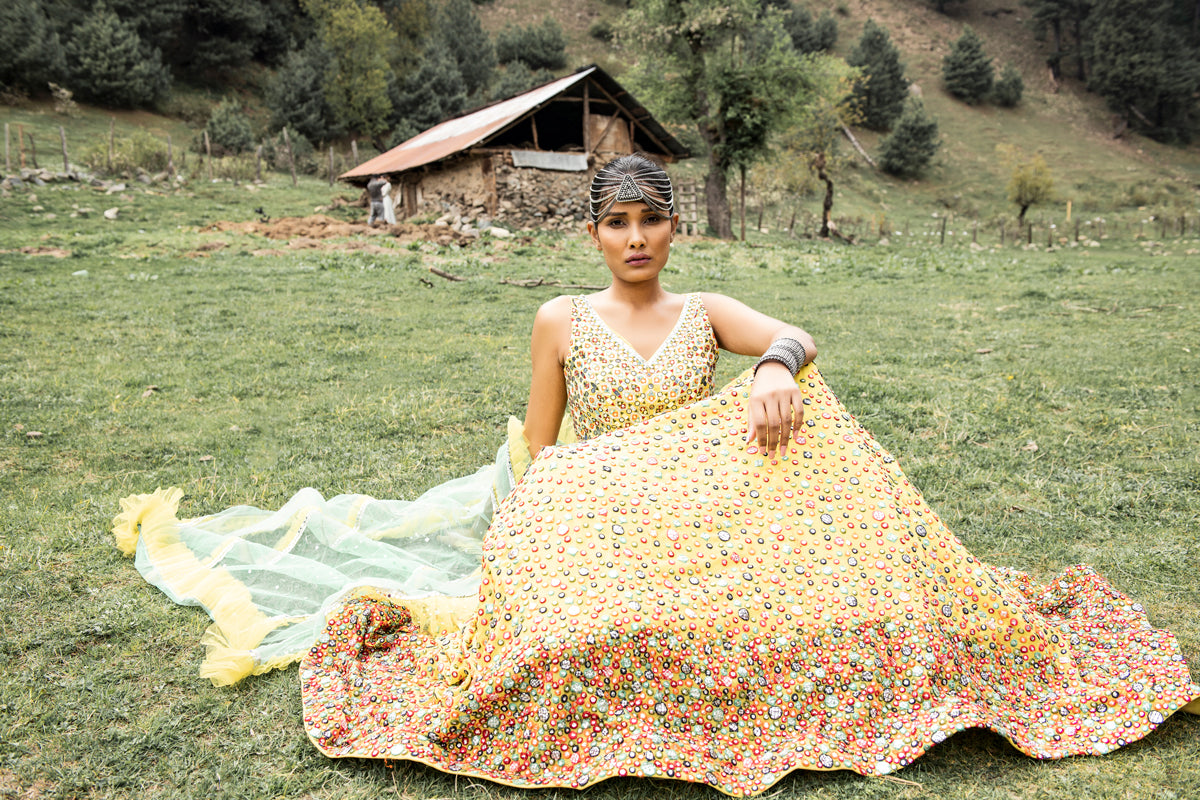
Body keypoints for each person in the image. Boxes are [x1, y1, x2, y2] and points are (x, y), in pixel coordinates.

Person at [114, 155, 1198, 797]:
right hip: (600, 506)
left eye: (653, 218)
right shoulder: (561, 319)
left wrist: (774, 363)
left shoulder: (704, 309)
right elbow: (539, 447)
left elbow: (798, 331)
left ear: (677, 225)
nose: (637, 238)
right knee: (564, 640)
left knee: (814, 451)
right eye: (617, 221)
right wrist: (528, 538)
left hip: (711, 507)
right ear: (593, 231)